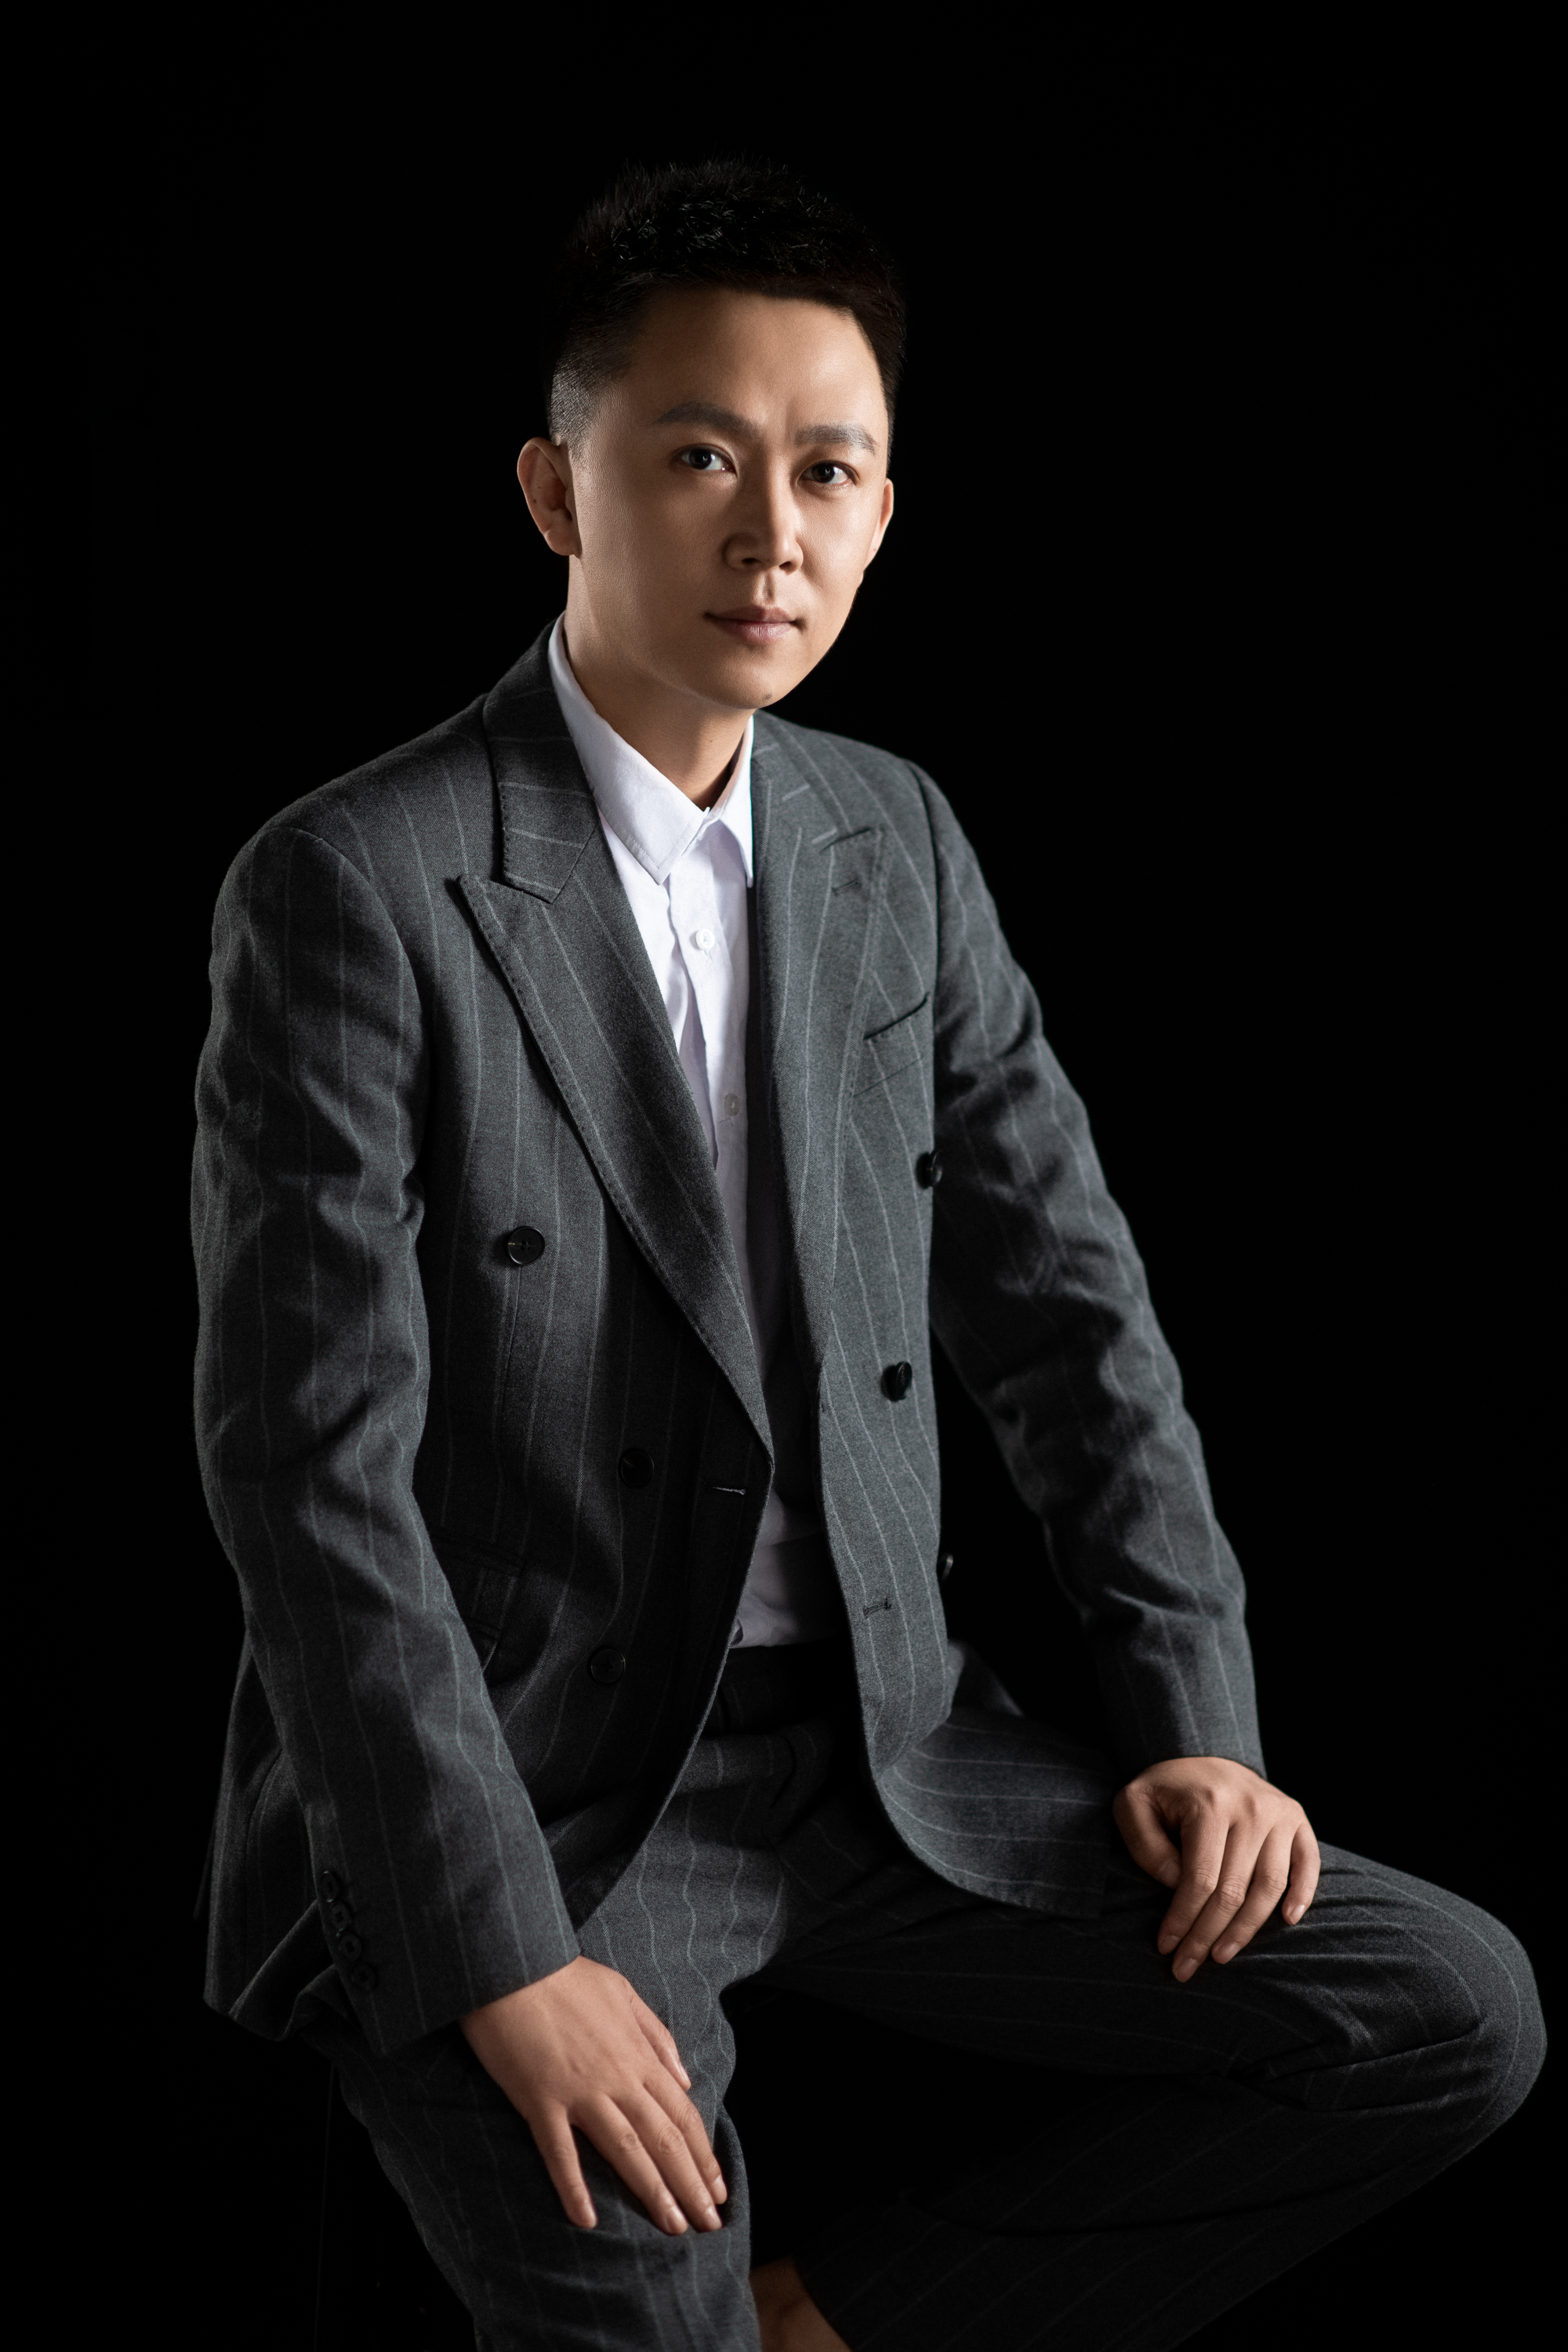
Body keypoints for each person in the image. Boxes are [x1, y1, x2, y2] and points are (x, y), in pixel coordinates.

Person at [191, 160, 1544, 2352]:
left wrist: (1194, 1721)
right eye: (699, 458)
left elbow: (1070, 1314)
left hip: (888, 1759)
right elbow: (306, 1475)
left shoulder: (889, 836)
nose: (773, 535)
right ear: (556, 488)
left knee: (1443, 2013)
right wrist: (501, 1956)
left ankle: (838, 2324)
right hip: (543, 1789)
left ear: (886, 512)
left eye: (828, 472)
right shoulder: (357, 886)